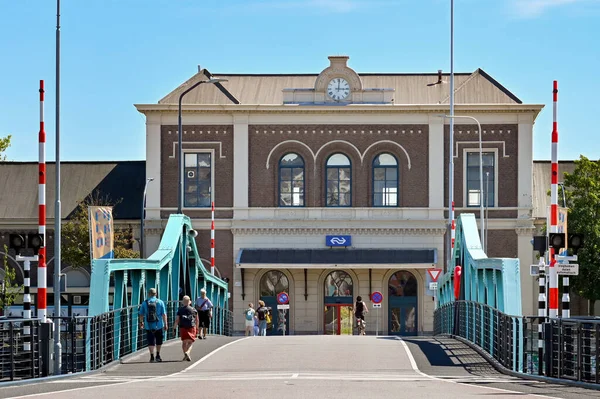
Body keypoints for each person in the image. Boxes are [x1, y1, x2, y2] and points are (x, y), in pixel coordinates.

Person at [139, 288, 167, 362]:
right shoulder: (160, 302)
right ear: (156, 294)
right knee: (159, 341)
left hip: (148, 326)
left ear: (148, 294)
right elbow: (164, 314)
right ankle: (158, 355)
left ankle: (151, 356)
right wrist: (165, 324)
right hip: (159, 325)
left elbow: (141, 314)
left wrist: (141, 322)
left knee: (150, 341)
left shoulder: (145, 303)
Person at [174, 295, 198, 361]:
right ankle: (188, 352)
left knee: (184, 342)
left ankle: (185, 354)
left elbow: (177, 320)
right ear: (189, 302)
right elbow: (197, 320)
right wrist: (197, 328)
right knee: (190, 342)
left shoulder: (180, 310)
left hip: (183, 327)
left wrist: (174, 327)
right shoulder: (194, 310)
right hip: (191, 327)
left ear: (183, 302)